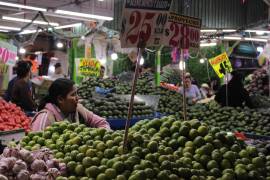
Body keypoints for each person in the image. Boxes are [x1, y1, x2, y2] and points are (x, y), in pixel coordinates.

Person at [31, 78, 111, 131]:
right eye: (73, 95)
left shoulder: (79, 110)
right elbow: (34, 147)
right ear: (60, 99)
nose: (77, 97)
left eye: (77, 94)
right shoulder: (45, 118)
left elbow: (102, 123)